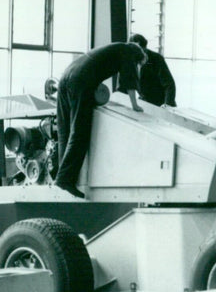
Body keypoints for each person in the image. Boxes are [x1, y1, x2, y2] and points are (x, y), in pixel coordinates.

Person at [54, 42, 147, 198]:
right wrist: (135, 105)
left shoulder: (115, 48)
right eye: (138, 63)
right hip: (81, 81)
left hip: (65, 77)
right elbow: (130, 79)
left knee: (65, 130)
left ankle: (60, 175)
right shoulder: (129, 52)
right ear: (137, 56)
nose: (136, 65)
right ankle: (65, 179)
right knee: (80, 131)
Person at [125, 33, 177, 107]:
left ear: (145, 48)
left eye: (141, 52)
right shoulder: (129, 60)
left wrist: (167, 104)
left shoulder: (157, 58)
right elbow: (125, 84)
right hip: (145, 102)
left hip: (161, 103)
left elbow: (169, 84)